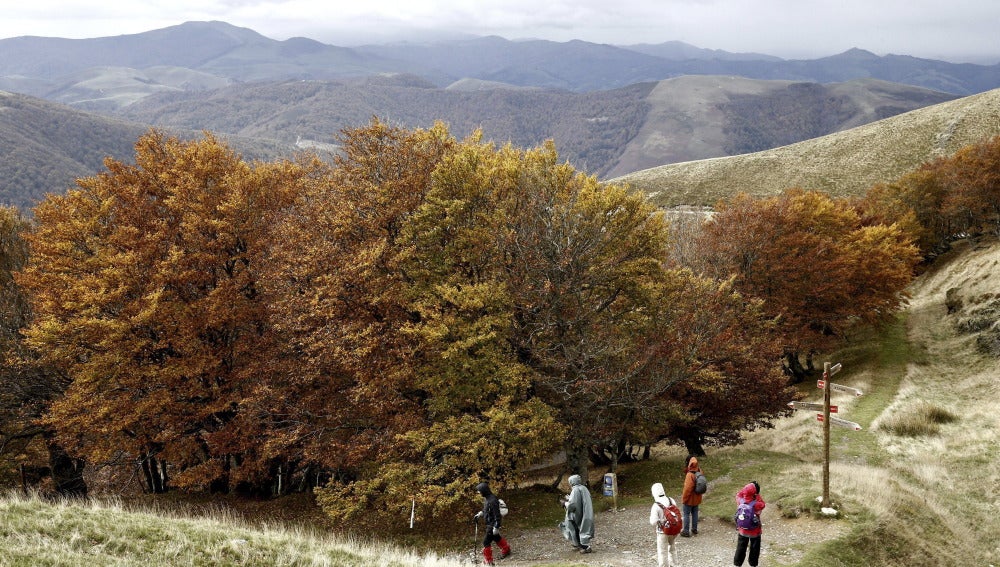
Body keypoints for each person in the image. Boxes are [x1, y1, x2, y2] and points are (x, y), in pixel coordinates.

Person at [474, 482, 511, 566]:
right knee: (496, 538)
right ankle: (506, 550)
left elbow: (497, 515)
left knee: (486, 542)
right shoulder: (488, 498)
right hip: (490, 523)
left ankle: (489, 562)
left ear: (484, 490)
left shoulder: (492, 500)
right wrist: (480, 513)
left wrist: (496, 527)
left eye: (479, 491)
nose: (479, 493)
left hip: (492, 524)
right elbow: (487, 510)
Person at [559, 474, 595, 553]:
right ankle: (579, 545)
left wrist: (564, 503)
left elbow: (572, 506)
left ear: (572, 482)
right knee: (580, 528)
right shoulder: (583, 488)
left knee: (574, 528)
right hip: (584, 512)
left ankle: (585, 547)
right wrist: (569, 498)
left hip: (576, 514)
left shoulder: (575, 490)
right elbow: (580, 500)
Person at [733, 481, 766, 567]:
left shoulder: (740, 500)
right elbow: (763, 504)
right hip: (755, 531)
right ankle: (753, 564)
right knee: (755, 548)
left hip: (743, 529)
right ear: (754, 493)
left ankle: (737, 564)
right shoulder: (756, 504)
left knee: (740, 547)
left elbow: (738, 494)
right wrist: (757, 495)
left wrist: (745, 489)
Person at [649, 482, 681, 567]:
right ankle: (674, 564)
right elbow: (676, 513)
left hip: (662, 531)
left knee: (662, 551)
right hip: (674, 530)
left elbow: (653, 521)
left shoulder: (656, 505)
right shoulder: (671, 500)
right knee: (672, 548)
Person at [679, 456, 703, 537]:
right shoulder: (700, 471)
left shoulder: (690, 475)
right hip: (697, 498)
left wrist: (684, 499)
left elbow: (687, 489)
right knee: (695, 513)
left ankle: (686, 531)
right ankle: (694, 529)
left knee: (686, 514)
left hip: (689, 499)